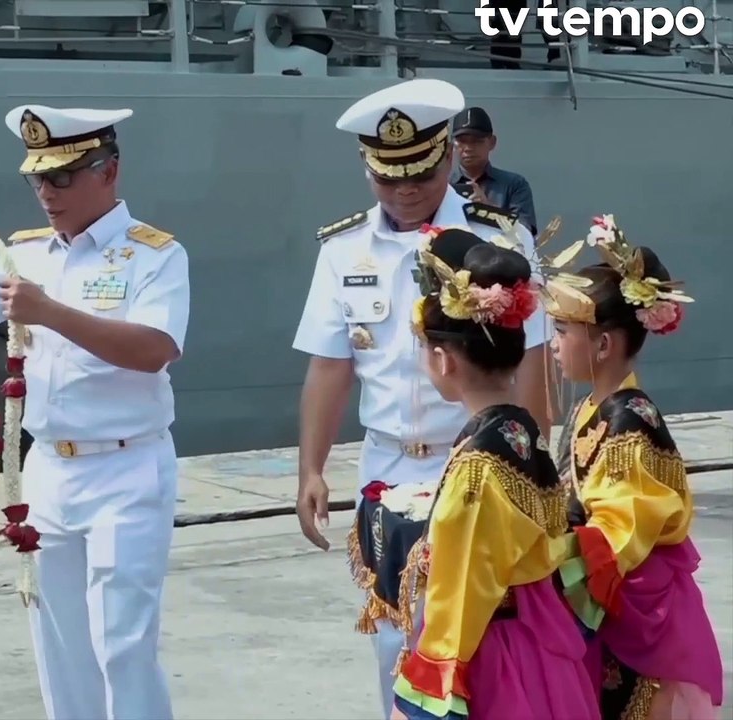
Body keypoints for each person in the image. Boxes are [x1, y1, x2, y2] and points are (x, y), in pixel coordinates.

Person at [291, 77, 552, 717]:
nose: (406, 189)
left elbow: (536, 366)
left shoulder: (502, 243)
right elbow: (330, 367)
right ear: (367, 169)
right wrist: (311, 470)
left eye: (420, 172)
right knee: (391, 639)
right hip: (387, 466)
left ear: (445, 157)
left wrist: (532, 465)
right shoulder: (342, 250)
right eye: (389, 176)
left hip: (480, 464)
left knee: (481, 631)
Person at [0, 104, 190, 720]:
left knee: (122, 644)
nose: (47, 192)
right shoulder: (27, 254)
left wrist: (50, 313)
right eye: (38, 179)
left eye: (63, 176)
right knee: (59, 642)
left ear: (109, 170)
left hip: (127, 467)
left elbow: (155, 350)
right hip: (49, 469)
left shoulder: (155, 255)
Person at [389, 233, 598, 720]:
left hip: (495, 655)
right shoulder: (521, 432)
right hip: (542, 646)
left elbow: (460, 594)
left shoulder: (478, 466)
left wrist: (419, 701)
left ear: (443, 359)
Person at [547, 215, 723, 719]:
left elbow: (618, 534)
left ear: (603, 344)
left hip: (627, 610)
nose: (555, 345)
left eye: (563, 332)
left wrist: (537, 550)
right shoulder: (590, 409)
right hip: (605, 596)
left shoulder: (630, 423)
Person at [450, 107, 538, 235]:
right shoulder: (442, 186)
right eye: (462, 141)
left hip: (500, 254)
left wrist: (489, 210)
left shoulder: (514, 184)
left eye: (476, 141)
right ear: (453, 145)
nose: (468, 148)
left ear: (492, 142)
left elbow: (526, 232)